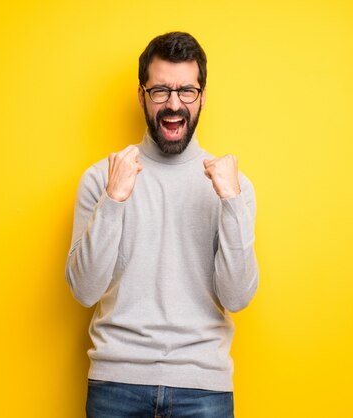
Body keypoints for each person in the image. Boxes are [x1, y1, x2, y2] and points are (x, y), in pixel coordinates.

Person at [65, 31, 259, 418]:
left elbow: (237, 298)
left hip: (204, 389)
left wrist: (231, 203)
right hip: (116, 386)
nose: (174, 104)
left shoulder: (232, 186)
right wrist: (114, 200)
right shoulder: (101, 178)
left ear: (202, 97)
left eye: (186, 91)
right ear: (142, 96)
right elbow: (84, 291)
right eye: (160, 92)